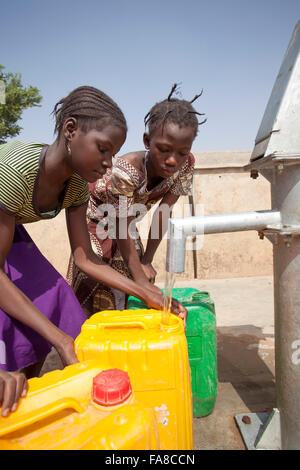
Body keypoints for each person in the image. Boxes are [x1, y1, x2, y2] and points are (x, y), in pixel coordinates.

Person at [0, 85, 183, 383]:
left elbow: (84, 259)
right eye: (103, 149)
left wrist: (147, 293)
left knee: (57, 299)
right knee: (17, 322)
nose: (109, 163)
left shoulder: (74, 186)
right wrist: (60, 340)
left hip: (10, 230)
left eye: (113, 153)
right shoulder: (13, 170)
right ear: (71, 129)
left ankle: (29, 391)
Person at [67, 84, 206, 323]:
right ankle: (89, 340)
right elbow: (119, 222)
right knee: (99, 282)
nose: (172, 160)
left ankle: (130, 345)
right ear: (147, 141)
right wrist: (140, 279)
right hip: (97, 220)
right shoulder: (127, 170)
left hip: (127, 224)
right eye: (163, 150)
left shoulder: (186, 165)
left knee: (137, 287)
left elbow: (164, 211)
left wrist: (147, 260)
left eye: (182, 152)